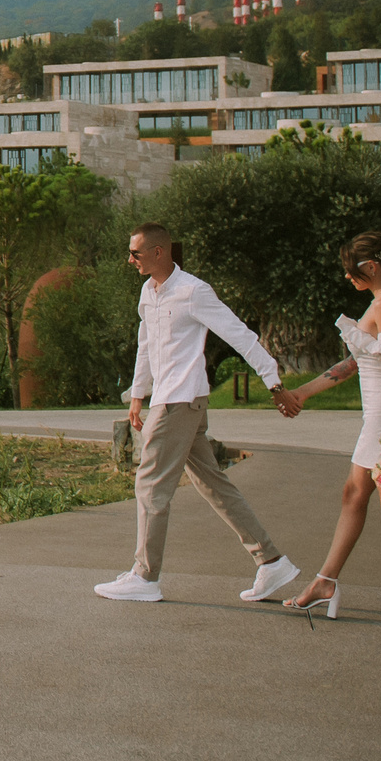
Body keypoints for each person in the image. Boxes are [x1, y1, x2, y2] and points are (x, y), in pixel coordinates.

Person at [95, 222, 305, 604]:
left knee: (150, 483)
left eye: (136, 253)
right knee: (213, 483)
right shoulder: (147, 291)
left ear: (160, 252)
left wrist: (274, 383)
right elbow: (146, 344)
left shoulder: (194, 291)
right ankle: (271, 561)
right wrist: (137, 396)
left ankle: (145, 576)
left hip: (181, 400)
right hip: (167, 400)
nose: (130, 260)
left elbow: (240, 334)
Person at [280, 231, 381, 635]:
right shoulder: (378, 304)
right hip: (379, 419)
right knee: (353, 495)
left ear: (371, 266)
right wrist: (303, 392)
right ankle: (325, 582)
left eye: (351, 269)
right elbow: (354, 364)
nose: (347, 277)